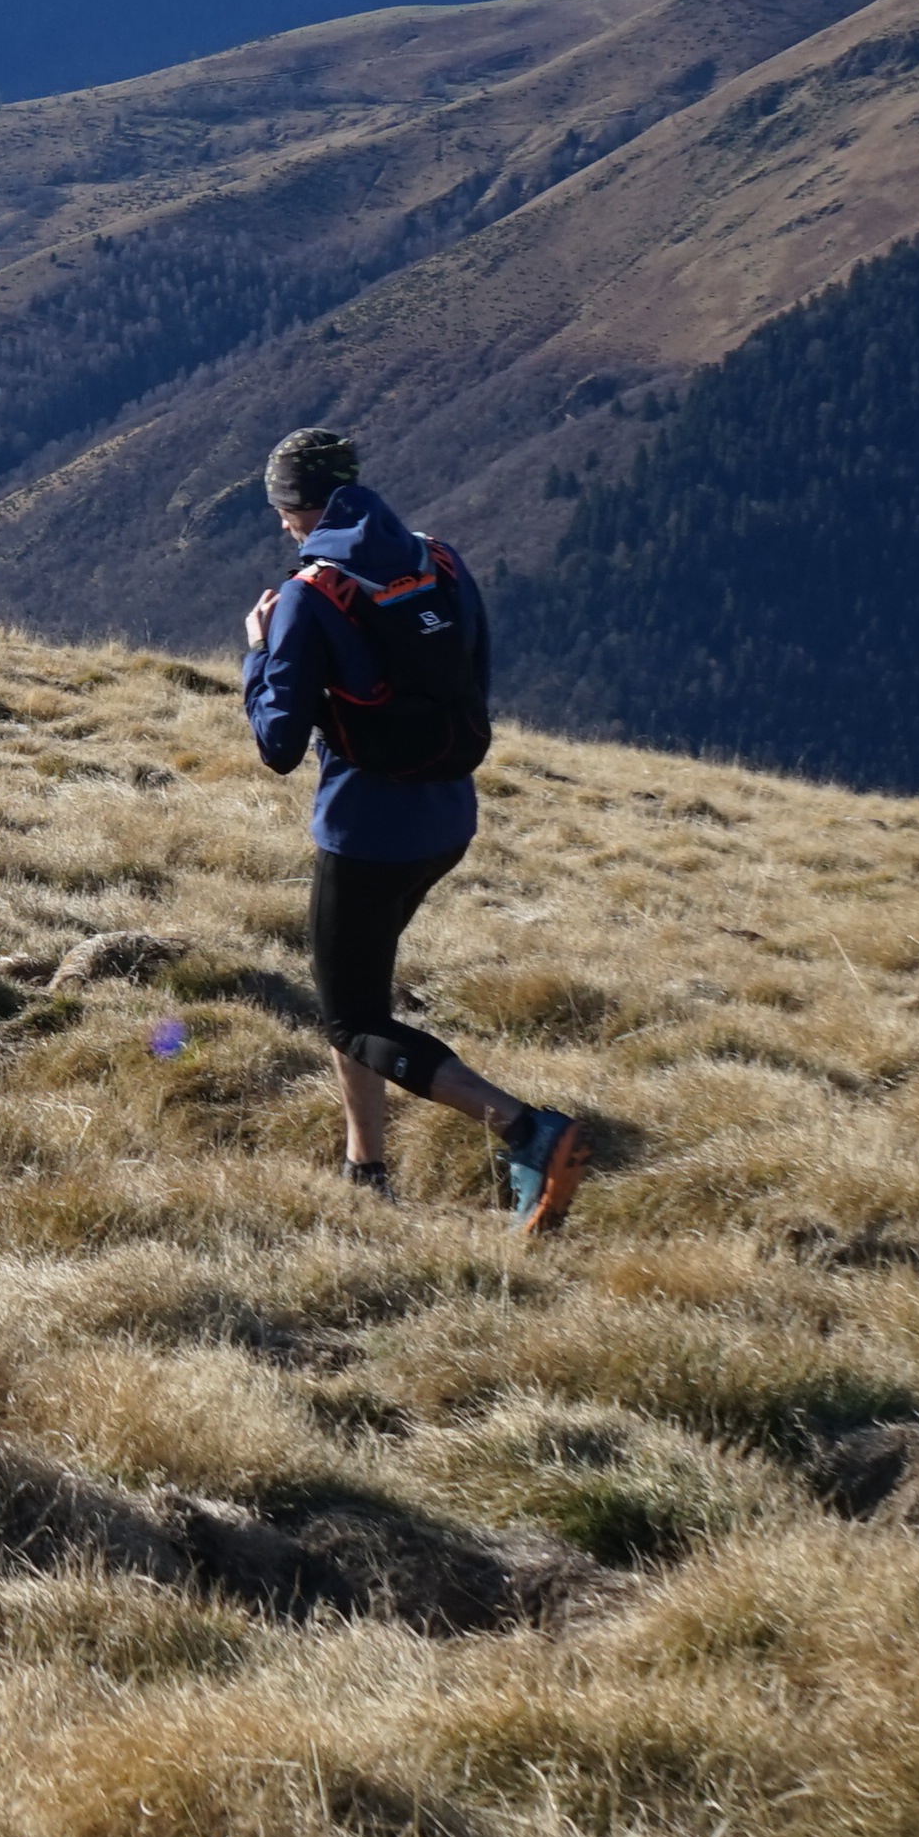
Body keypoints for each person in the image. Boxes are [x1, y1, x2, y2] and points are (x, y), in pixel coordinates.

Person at [240, 424, 587, 1237]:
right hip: (448, 816)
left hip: (365, 830)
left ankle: (526, 1129)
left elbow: (278, 747)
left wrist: (259, 651)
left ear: (292, 506)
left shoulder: (308, 594)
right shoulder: (441, 560)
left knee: (351, 1017)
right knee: (354, 993)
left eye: (281, 511)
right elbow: (474, 674)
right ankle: (365, 1168)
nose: (283, 526)